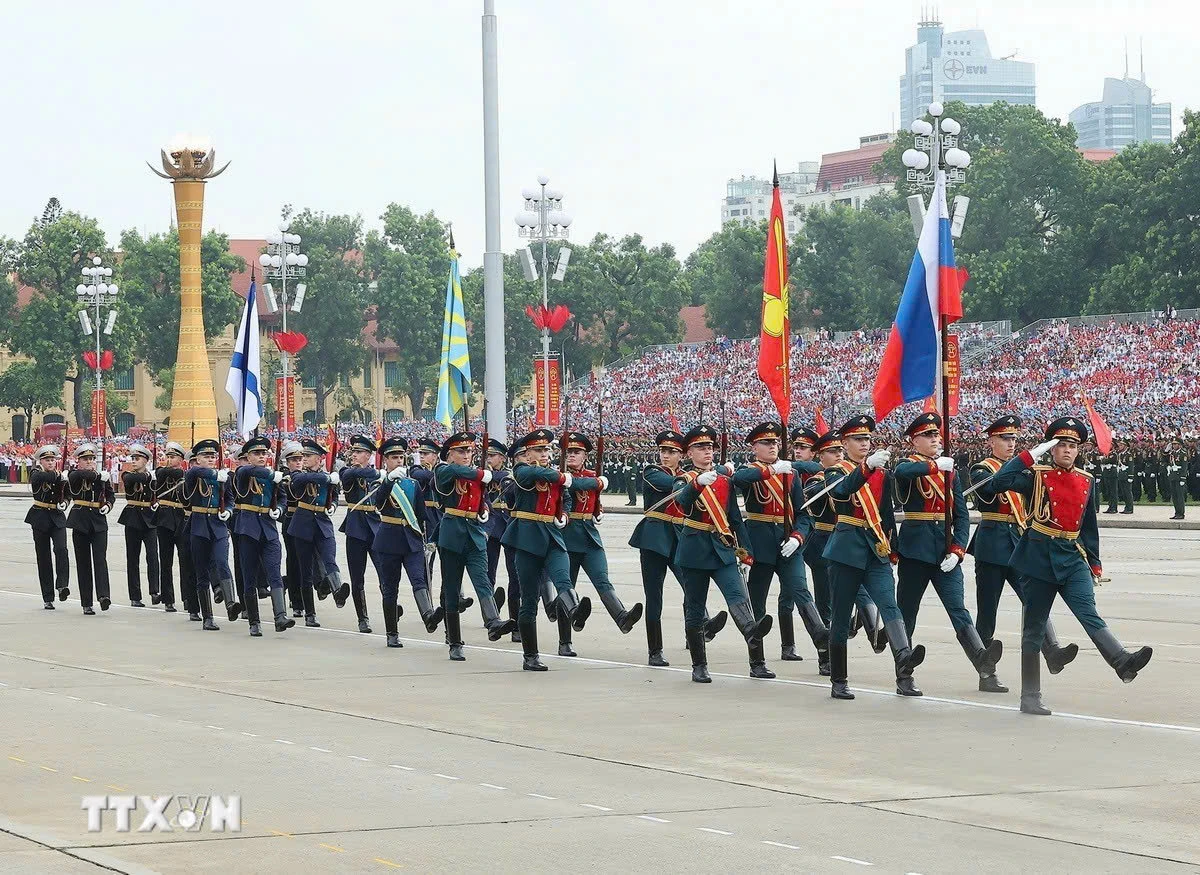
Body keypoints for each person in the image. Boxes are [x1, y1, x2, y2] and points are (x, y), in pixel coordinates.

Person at [989, 416, 1153, 715]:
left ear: (1079, 450)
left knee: (1087, 612)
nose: (1066, 450)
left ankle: (1121, 661)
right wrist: (1029, 455)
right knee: (1034, 628)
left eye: (1072, 446)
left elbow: (1089, 525)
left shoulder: (1086, 479)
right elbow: (997, 482)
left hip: (1072, 556)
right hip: (1038, 556)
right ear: (1052, 449)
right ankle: (1030, 695)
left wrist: (1095, 561)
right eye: (1061, 445)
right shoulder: (1035, 475)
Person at [893, 412, 1002, 690]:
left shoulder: (949, 472)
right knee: (908, 612)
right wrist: (934, 468)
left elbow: (962, 516)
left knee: (959, 610)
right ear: (914, 441)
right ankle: (904, 674)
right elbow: (902, 474)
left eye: (936, 435)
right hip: (915, 551)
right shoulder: (909, 465)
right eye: (928, 436)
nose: (934, 440)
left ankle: (984, 666)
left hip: (944, 551)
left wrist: (957, 549)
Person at [968, 415, 1078, 691]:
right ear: (991, 441)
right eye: (1005, 439)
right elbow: (988, 494)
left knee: (1035, 599)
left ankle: (1051, 650)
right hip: (992, 544)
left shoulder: (1027, 473)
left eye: (1014, 439)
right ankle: (986, 671)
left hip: (1019, 542)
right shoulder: (980, 469)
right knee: (988, 610)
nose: (1010, 443)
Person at [821, 415, 926, 700]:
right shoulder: (835, 471)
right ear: (845, 443)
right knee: (841, 617)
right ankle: (839, 679)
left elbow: (886, 514)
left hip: (876, 550)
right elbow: (842, 493)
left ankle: (904, 670)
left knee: (891, 608)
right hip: (846, 549)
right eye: (857, 439)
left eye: (867, 439)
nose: (864, 443)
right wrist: (866, 468)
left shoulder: (882, 473)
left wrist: (892, 548)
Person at [672, 424, 771, 684]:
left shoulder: (724, 481)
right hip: (694, 549)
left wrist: (746, 551)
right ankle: (699, 665)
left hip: (722, 548)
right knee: (694, 608)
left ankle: (757, 659)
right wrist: (695, 486)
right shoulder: (683, 480)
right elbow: (680, 504)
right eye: (701, 447)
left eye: (710, 447)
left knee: (739, 598)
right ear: (689, 453)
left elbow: (735, 520)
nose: (707, 451)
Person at [732, 422, 824, 679]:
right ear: (754, 448)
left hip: (787, 545)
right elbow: (739, 480)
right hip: (759, 546)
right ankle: (757, 661)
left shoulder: (790, 474)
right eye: (766, 443)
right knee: (757, 603)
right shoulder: (752, 471)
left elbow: (803, 514)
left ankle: (822, 644)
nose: (772, 446)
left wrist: (798, 536)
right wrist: (770, 470)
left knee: (801, 592)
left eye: (774, 443)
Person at [629, 429, 727, 667]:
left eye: (671, 452)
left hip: (677, 536)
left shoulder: (687, 475)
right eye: (663, 451)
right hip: (654, 537)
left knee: (689, 586)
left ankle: (697, 628)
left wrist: (721, 470)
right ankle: (655, 650)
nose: (665, 456)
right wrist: (699, 478)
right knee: (655, 596)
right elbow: (671, 485)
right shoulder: (653, 472)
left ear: (681, 455)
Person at [501, 428, 593, 671]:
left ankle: (574, 611)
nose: (545, 453)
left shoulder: (554, 473)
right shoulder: (522, 471)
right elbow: (536, 476)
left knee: (563, 579)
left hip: (552, 536)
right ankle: (530, 656)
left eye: (547, 449)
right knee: (529, 599)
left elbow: (566, 498)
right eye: (539, 449)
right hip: (527, 539)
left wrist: (563, 514)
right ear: (528, 452)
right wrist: (562, 477)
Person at [433, 431, 516, 660]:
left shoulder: (476, 476)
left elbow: (485, 501)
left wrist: (485, 511)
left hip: (475, 534)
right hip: (452, 534)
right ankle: (455, 641)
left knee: (483, 581)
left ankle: (493, 621)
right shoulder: (443, 470)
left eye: (469, 450)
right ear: (449, 454)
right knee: (452, 588)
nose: (467, 454)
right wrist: (482, 474)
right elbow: (457, 472)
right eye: (461, 451)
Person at [557, 432, 642, 656]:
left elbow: (594, 499)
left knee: (602, 579)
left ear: (585, 455)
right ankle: (565, 641)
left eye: (577, 452)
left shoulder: (591, 475)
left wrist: (598, 510)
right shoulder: (558, 476)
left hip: (589, 536)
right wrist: (598, 482)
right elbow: (575, 485)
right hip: (566, 536)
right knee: (568, 587)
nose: (573, 455)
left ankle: (622, 617)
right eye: (569, 452)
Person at [371, 437, 444, 647]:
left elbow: (421, 515)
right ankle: (391, 633)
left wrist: (428, 539)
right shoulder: (380, 482)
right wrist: (388, 481)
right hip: (389, 540)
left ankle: (428, 616)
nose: (399, 461)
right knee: (390, 588)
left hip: (411, 540)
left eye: (401, 457)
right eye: (394, 457)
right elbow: (379, 503)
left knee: (418, 580)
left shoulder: (412, 484)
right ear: (385, 460)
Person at [232, 436, 295, 636]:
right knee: (249, 576)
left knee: (274, 573)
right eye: (256, 454)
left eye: (263, 453)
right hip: (248, 529)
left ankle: (280, 616)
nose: (261, 456)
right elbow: (246, 472)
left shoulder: (271, 477)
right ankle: (254, 621)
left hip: (268, 530)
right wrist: (271, 474)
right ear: (248, 456)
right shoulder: (243, 473)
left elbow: (283, 498)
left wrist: (281, 509)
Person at [286, 438, 350, 616]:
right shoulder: (298, 474)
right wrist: (328, 478)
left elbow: (335, 496)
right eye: (303, 455)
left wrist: (333, 506)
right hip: (302, 524)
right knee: (305, 570)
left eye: (308, 455)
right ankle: (310, 613)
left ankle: (338, 591)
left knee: (329, 559)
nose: (303, 458)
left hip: (323, 523)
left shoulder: (328, 477)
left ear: (319, 459)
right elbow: (302, 480)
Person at [182, 438, 238, 630]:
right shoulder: (194, 474)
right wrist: (215, 474)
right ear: (197, 459)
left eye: (213, 456)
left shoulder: (223, 477)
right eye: (206, 456)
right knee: (201, 572)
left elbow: (230, 500)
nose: (211, 458)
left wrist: (228, 511)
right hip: (198, 525)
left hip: (218, 525)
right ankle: (207, 616)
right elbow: (192, 474)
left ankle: (231, 603)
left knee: (222, 561)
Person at [66, 443, 115, 616]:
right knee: (83, 562)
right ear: (78, 461)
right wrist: (98, 475)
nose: (89, 462)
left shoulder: (101, 476)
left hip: (98, 521)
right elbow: (81, 476)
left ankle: (103, 596)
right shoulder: (74, 474)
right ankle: (86, 602)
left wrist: (108, 506)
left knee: (100, 559)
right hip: (80, 520)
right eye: (86, 459)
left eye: (92, 459)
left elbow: (110, 495)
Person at [339, 434, 382, 633]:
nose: (354, 455)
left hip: (375, 529)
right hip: (355, 529)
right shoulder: (348, 472)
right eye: (353, 451)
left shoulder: (376, 473)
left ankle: (390, 606)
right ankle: (362, 617)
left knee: (385, 575)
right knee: (358, 577)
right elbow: (349, 476)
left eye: (358, 452)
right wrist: (381, 475)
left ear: (368, 455)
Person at [483, 438, 521, 640]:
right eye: (487, 456)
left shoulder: (507, 474)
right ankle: (490, 614)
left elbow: (502, 477)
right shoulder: (482, 473)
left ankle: (515, 620)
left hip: (506, 526)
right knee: (488, 572)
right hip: (490, 527)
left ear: (502, 458)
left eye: (492, 456)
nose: (489, 459)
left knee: (513, 572)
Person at [26, 445, 70, 609]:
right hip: (40, 517)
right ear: (41, 462)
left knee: (61, 549)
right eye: (47, 460)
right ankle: (48, 597)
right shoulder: (36, 473)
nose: (51, 462)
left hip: (57, 518)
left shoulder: (60, 476)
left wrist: (65, 503)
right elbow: (42, 480)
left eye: (53, 460)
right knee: (43, 558)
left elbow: (67, 494)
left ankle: (62, 585)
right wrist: (60, 477)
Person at [118, 444, 159, 608]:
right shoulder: (128, 475)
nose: (133, 462)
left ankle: (154, 591)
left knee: (152, 557)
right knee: (133, 558)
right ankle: (135, 595)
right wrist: (151, 477)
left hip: (150, 519)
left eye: (137, 459)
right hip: (133, 518)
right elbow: (134, 480)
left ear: (146, 461)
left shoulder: (154, 477)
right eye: (132, 459)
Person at [153, 442, 189, 615]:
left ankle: (188, 597)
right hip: (165, 519)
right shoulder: (162, 472)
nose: (168, 460)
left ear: (181, 460)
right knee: (165, 562)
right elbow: (162, 473)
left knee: (185, 562)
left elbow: (180, 474)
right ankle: (168, 599)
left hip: (181, 520)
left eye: (172, 457)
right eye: (167, 456)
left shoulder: (184, 474)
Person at [277, 441, 308, 620]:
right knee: (295, 561)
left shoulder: (306, 476)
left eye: (300, 459)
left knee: (308, 560)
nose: (298, 462)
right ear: (287, 462)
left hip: (307, 521)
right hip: (291, 520)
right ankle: (297, 602)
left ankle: (287, 583)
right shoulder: (284, 479)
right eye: (294, 460)